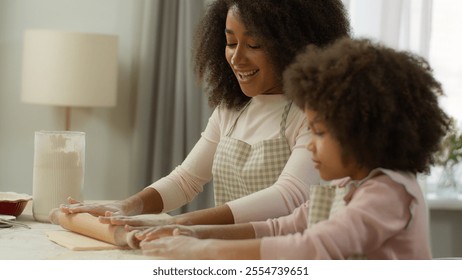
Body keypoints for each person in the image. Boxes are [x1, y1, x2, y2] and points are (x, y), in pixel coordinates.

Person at [133, 37, 450, 259]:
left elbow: (312, 248)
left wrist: (204, 251)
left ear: (364, 133)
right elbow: (282, 227)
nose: (310, 145)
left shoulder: (389, 194)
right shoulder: (345, 186)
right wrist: (196, 234)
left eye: (320, 132)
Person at [60, 0, 350, 228]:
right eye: (231, 42)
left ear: (295, 44)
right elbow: (186, 180)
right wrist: (126, 206)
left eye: (254, 45)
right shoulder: (231, 109)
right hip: (228, 253)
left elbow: (289, 197)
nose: (236, 58)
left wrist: (186, 224)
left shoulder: (313, 114)